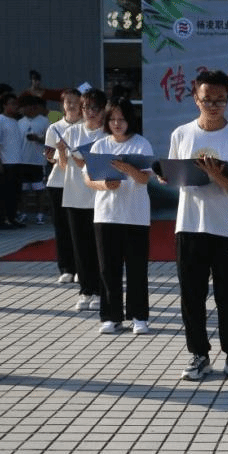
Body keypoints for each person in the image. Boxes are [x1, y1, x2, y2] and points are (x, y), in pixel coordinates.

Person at [169, 70, 228, 382]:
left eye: (220, 100)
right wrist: (168, 176)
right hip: (189, 225)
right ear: (196, 98)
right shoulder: (181, 134)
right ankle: (199, 355)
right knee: (191, 296)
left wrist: (214, 173)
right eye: (207, 99)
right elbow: (175, 177)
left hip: (227, 228)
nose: (213, 105)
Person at [84, 97, 153, 335]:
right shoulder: (100, 146)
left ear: (130, 120)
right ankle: (111, 317)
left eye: (121, 119)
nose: (117, 123)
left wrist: (128, 169)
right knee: (108, 269)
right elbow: (89, 178)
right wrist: (104, 185)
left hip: (135, 215)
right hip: (106, 215)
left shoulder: (141, 144)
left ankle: (139, 317)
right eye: (112, 119)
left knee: (136, 268)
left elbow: (144, 179)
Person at [57, 88, 108, 312]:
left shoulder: (106, 134)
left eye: (95, 108)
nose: (90, 112)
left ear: (103, 110)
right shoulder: (72, 132)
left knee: (98, 248)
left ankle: (99, 291)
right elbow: (62, 166)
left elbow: (108, 166)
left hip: (98, 198)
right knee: (80, 247)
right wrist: (61, 152)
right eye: (86, 107)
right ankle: (85, 290)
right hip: (74, 196)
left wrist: (86, 162)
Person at [45, 89, 82, 284]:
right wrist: (57, 153)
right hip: (59, 183)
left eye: (76, 102)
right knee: (62, 227)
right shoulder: (54, 128)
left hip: (82, 183)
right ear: (63, 105)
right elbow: (50, 157)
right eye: (68, 102)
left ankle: (82, 268)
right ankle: (66, 268)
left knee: (81, 228)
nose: (72, 105)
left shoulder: (87, 126)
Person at [0, 93, 24, 229]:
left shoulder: (15, 121)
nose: (16, 106)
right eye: (12, 103)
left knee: (15, 193)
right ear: (4, 105)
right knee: (3, 194)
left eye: (16, 104)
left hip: (17, 162)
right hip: (6, 163)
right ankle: (1, 220)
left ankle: (12, 217)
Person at [18, 94, 51, 224]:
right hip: (23, 161)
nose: (21, 109)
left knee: (39, 189)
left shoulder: (45, 121)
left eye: (24, 107)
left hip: (38, 161)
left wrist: (37, 138)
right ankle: (23, 213)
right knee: (23, 189)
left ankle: (40, 214)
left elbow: (50, 140)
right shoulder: (20, 122)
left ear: (32, 107)